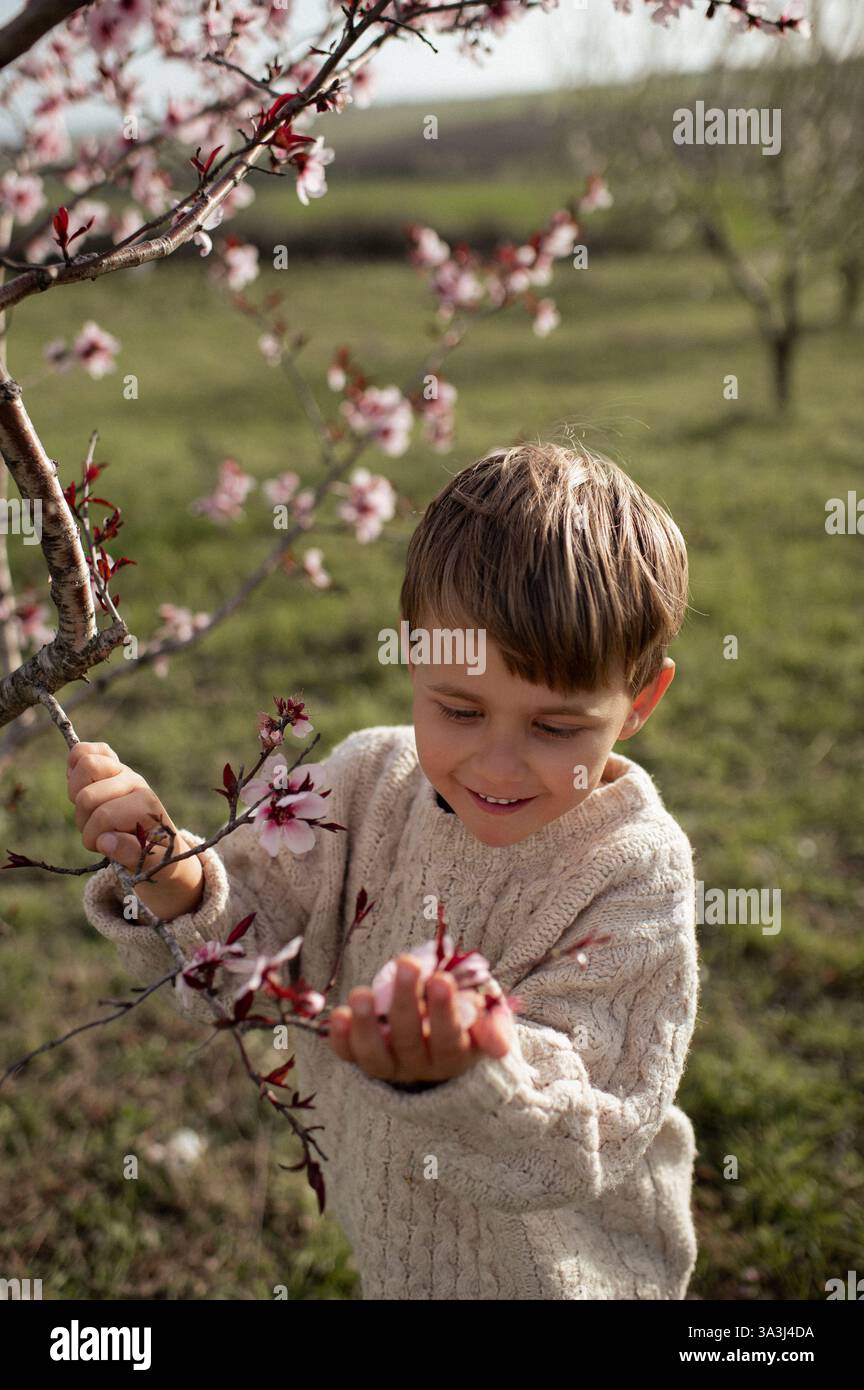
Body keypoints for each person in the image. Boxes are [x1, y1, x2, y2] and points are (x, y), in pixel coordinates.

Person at [70, 441, 701, 1300]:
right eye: (460, 709)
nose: (500, 765)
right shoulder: (365, 788)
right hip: (403, 1256)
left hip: (566, 1274)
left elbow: (590, 1121)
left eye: (556, 729)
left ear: (639, 704)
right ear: (412, 655)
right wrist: (172, 872)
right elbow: (250, 945)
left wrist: (466, 1062)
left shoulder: (632, 869)